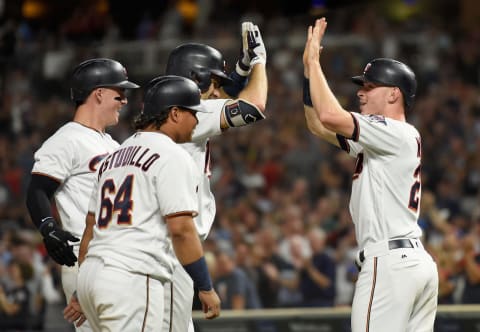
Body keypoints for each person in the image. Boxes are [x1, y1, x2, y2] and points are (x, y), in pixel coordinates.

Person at [303, 18, 438, 331]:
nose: (361, 93)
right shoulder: (384, 139)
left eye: (369, 87)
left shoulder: (393, 131)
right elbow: (317, 125)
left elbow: (329, 115)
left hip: (389, 264)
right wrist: (308, 74)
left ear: (393, 94)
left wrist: (314, 61)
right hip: (413, 265)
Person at [69, 75, 221, 331]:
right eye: (192, 113)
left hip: (92, 275)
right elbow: (182, 229)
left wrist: (81, 288)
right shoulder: (172, 155)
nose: (196, 121)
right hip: (131, 277)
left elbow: (90, 228)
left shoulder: (113, 156)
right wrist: (205, 287)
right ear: (174, 113)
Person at [161, 22, 268, 331]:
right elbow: (254, 106)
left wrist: (242, 67)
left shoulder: (168, 110)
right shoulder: (192, 112)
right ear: (195, 80)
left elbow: (224, 94)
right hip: (171, 250)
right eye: (213, 82)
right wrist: (259, 59)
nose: (219, 91)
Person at [25, 58, 140, 331]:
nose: (124, 100)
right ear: (98, 93)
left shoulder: (112, 144)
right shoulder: (66, 139)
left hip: (117, 260)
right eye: (119, 93)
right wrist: (48, 227)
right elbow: (38, 190)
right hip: (85, 261)